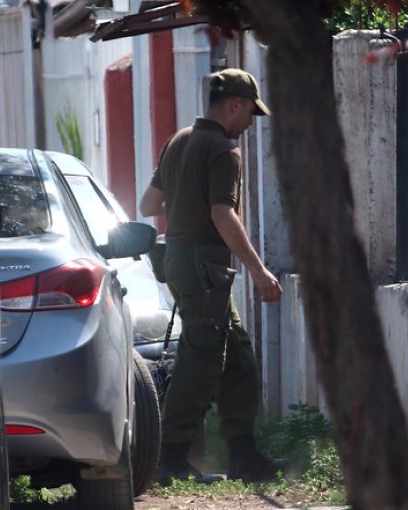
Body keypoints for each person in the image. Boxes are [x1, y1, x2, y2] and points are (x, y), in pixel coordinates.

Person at [139, 68, 284, 484]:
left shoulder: (178, 140)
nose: (249, 123)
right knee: (200, 360)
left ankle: (245, 455)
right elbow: (223, 213)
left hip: (181, 261)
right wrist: (258, 271)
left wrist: (182, 185)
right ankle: (168, 459)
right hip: (205, 265)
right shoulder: (223, 149)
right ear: (234, 104)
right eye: (249, 113)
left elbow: (150, 204)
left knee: (236, 354)